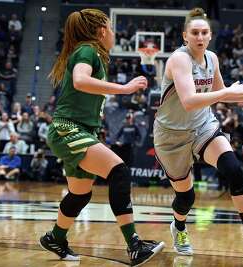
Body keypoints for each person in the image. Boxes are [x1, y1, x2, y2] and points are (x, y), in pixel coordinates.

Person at [38, 9, 164, 266]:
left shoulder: (92, 53)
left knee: (81, 193)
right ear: (102, 31)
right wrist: (124, 88)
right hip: (68, 128)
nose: (115, 33)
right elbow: (80, 80)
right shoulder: (87, 50)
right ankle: (135, 245)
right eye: (112, 27)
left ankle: (55, 237)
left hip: (77, 129)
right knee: (119, 172)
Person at [153, 8, 243, 256]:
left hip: (202, 127)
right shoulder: (179, 59)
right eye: (195, 33)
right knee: (186, 198)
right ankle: (178, 226)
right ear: (185, 36)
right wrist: (227, 92)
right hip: (171, 135)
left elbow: (222, 92)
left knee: (234, 170)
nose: (200, 37)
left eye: (204, 32)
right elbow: (189, 100)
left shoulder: (212, 58)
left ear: (210, 36)